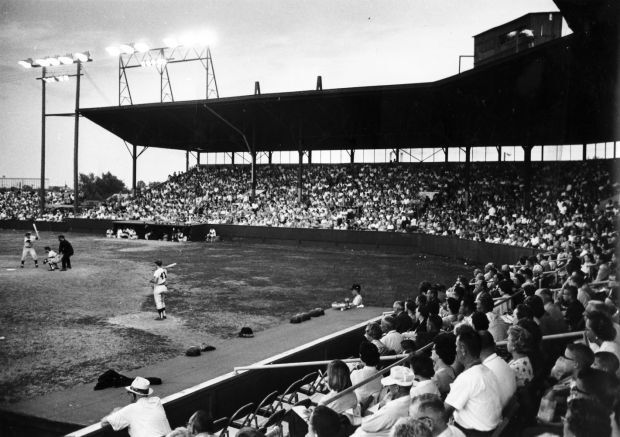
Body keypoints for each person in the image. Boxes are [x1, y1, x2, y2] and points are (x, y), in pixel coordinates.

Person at [444, 325, 502, 436]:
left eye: (456, 346)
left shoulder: (467, 378)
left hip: (474, 433)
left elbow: (444, 414)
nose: (455, 350)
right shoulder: (487, 370)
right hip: (489, 430)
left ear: (463, 349)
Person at [350, 366, 413, 437]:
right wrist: (382, 404)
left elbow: (367, 425)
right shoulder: (412, 401)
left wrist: (352, 419)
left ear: (397, 388)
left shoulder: (392, 408)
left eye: (390, 385)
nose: (388, 387)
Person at [101, 376, 172, 437]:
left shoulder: (130, 410)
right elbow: (139, 409)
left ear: (132, 395)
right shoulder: (156, 401)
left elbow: (103, 422)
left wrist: (115, 411)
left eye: (129, 393)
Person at [479, 330, 516, 409]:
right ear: (494, 345)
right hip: (509, 414)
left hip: (501, 416)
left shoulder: (484, 372)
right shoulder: (503, 363)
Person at [350, 341, 383, 407]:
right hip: (374, 406)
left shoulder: (355, 374)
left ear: (361, 356)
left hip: (360, 407)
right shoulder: (381, 376)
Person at [430, 332, 457, 399]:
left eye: (433, 349)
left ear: (439, 352)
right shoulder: (449, 369)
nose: (431, 351)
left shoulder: (438, 375)